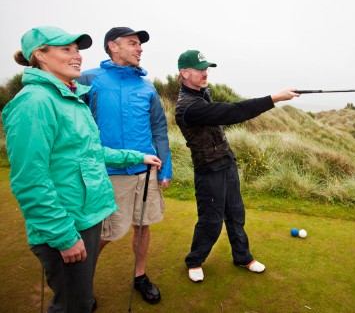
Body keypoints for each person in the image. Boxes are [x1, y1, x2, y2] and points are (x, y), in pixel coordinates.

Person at [2, 26, 162, 313]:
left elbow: (88, 152)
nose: (77, 56)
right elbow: (30, 180)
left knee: (81, 300)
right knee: (73, 305)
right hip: (67, 222)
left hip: (85, 214)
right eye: (66, 49)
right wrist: (63, 236)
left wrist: (136, 156)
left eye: (77, 50)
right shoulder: (34, 102)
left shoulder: (70, 97)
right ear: (40, 55)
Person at [175, 50, 300, 282]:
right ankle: (195, 260)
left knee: (235, 213)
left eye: (206, 68)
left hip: (226, 162)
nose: (205, 73)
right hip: (208, 169)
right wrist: (274, 98)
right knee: (211, 220)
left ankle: (243, 257)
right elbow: (233, 112)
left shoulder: (203, 94)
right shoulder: (188, 107)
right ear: (184, 72)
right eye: (200, 69)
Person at [77, 27, 172, 304]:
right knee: (105, 233)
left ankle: (139, 275)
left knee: (143, 226)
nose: (139, 48)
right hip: (109, 172)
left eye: (140, 44)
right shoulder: (90, 79)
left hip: (146, 170)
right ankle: (80, 283)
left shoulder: (147, 86)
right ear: (113, 46)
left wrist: (164, 168)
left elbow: (159, 129)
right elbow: (75, 125)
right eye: (133, 43)